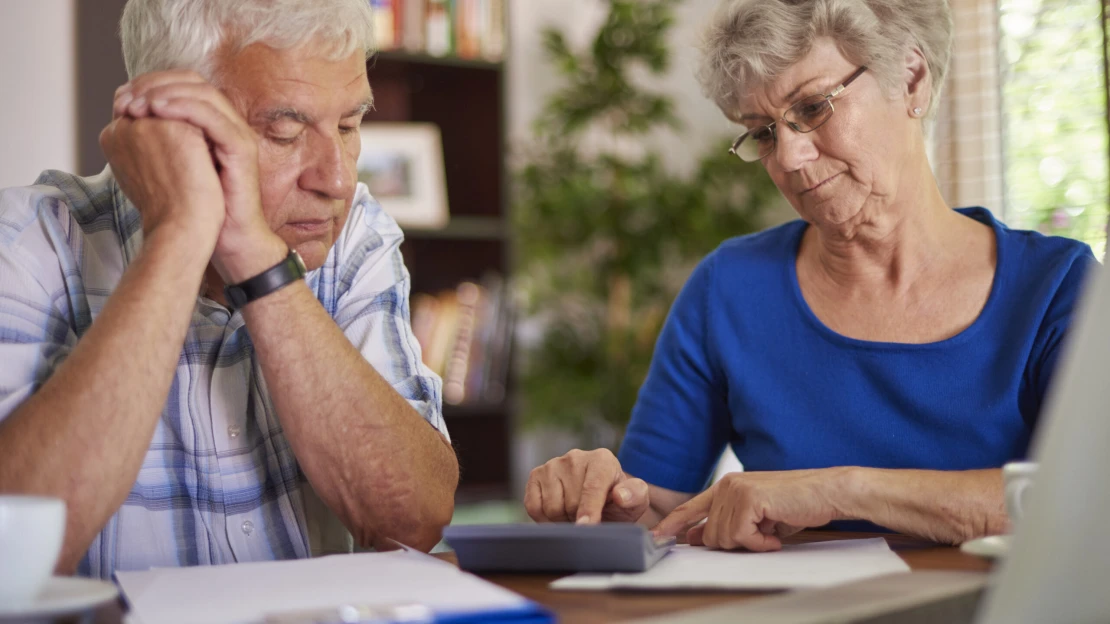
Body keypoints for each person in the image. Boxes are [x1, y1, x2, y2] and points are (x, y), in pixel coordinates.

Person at [525, 0, 1098, 551]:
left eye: (812, 108)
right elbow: (656, 513)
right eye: (765, 133)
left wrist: (840, 489)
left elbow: (1088, 497)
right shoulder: (730, 289)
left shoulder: (1055, 287)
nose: (790, 159)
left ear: (912, 80)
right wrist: (600, 499)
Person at [0, 0, 458, 578]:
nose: (338, 178)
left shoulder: (352, 239)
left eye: (348, 126)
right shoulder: (24, 244)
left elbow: (412, 520)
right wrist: (178, 233)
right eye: (285, 131)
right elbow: (9, 558)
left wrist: (257, 261)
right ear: (168, 126)